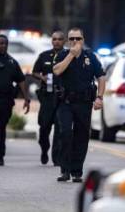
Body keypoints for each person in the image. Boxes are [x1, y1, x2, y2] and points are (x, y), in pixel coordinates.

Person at [53, 28, 105, 182]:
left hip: (84, 102)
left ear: (83, 40)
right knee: (66, 133)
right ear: (68, 41)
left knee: (82, 136)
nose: (75, 41)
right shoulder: (62, 55)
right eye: (72, 39)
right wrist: (71, 55)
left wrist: (99, 98)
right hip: (66, 102)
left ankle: (77, 171)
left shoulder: (90, 56)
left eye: (78, 38)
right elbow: (56, 71)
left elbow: (101, 77)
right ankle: (65, 170)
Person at [0, 34, 30, 166]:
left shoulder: (12, 62)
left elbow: (21, 80)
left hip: (6, 100)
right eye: (0, 43)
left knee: (1, 128)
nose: (2, 45)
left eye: (5, 43)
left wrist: (26, 98)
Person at [32, 30, 65, 165]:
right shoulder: (44, 56)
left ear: (64, 41)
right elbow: (34, 72)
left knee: (59, 128)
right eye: (54, 39)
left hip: (62, 96)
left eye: (59, 39)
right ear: (52, 41)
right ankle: (44, 149)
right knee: (44, 127)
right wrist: (42, 77)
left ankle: (56, 158)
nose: (56, 41)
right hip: (47, 96)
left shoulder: (68, 56)